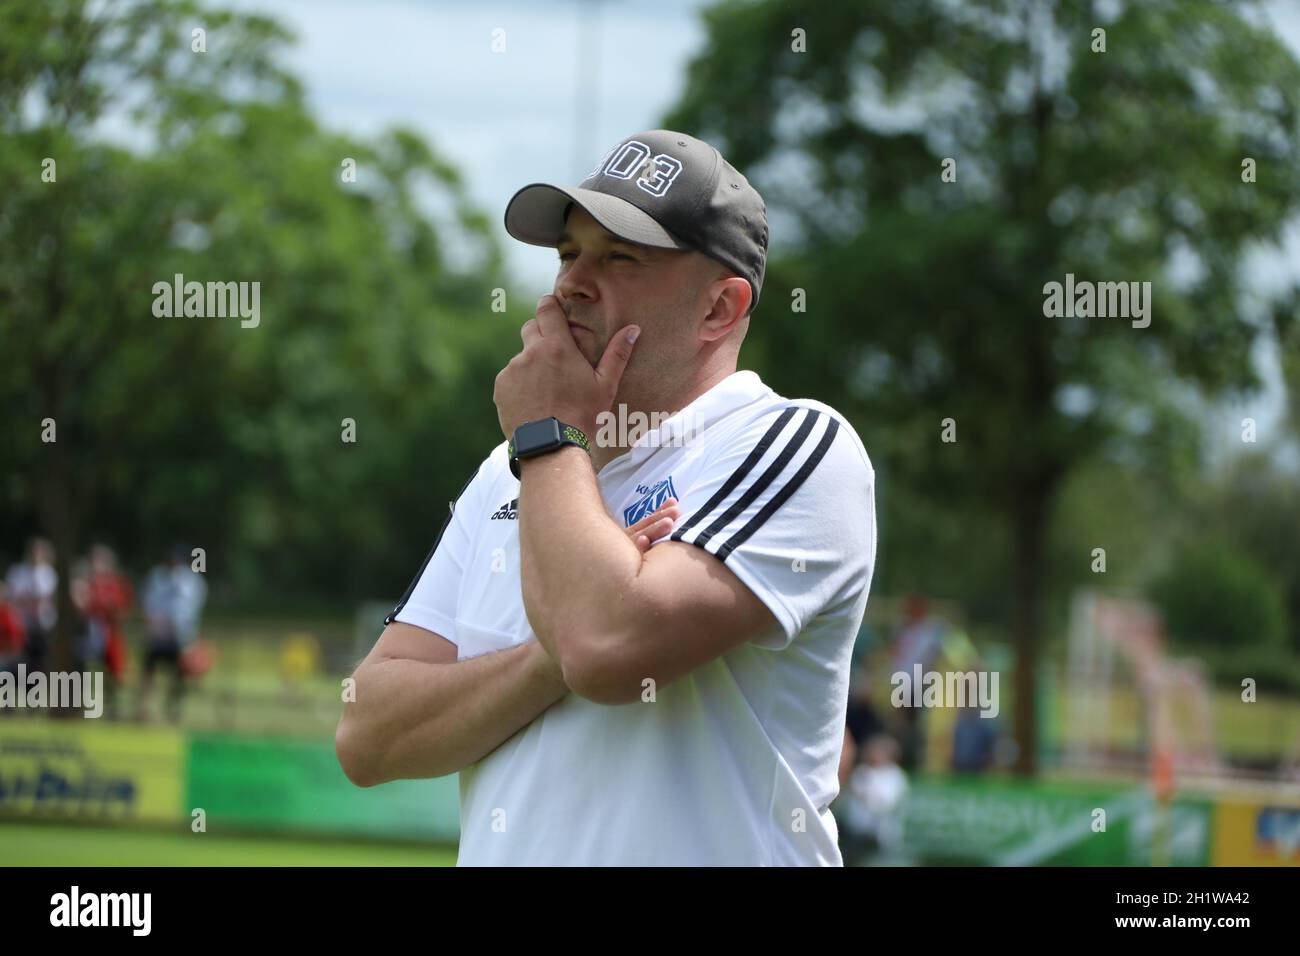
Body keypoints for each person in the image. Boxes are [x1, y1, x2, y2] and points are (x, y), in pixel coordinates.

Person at [337, 130, 879, 866]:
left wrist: (545, 432)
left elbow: (605, 651)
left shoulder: (794, 442)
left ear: (720, 309)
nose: (571, 284)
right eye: (568, 254)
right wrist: (543, 657)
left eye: (620, 257)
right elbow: (368, 736)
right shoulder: (510, 470)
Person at [137, 545, 207, 723]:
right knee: (148, 671)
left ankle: (173, 709)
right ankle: (143, 709)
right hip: (157, 635)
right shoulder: (157, 576)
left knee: (179, 675)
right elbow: (147, 602)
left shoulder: (191, 580)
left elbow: (192, 608)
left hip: (179, 637)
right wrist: (151, 622)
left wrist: (187, 632)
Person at [5, 538, 57, 672]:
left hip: (43, 624)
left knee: (41, 659)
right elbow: (11, 596)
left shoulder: (49, 574)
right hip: (22, 624)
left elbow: (52, 598)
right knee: (20, 660)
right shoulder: (17, 572)